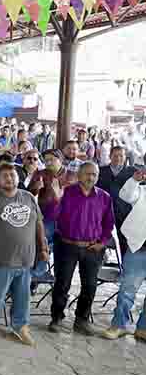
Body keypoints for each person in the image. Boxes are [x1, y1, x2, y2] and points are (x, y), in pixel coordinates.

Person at [0, 164, 48, 346]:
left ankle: (20, 327)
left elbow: (39, 224)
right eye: (5, 176)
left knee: (23, 297)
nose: (9, 178)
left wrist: (44, 248)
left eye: (12, 175)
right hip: (0, 259)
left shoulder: (29, 197)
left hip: (25, 259)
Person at [48, 162, 115, 336]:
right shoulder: (67, 193)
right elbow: (53, 217)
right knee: (62, 284)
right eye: (87, 174)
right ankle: (56, 318)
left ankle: (82, 320)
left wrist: (102, 242)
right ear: (79, 175)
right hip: (67, 245)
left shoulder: (104, 197)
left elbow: (109, 224)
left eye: (94, 174)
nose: (91, 177)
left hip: (93, 248)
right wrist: (56, 199)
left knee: (90, 286)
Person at [103, 168, 146, 340]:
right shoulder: (141, 191)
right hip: (139, 249)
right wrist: (135, 180)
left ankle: (143, 328)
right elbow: (126, 195)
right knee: (128, 290)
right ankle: (119, 324)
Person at [97, 145, 137, 256]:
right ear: (110, 156)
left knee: (124, 239)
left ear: (125, 157)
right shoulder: (100, 171)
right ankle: (99, 262)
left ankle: (124, 267)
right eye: (115, 156)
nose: (118, 158)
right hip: (103, 212)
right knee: (100, 238)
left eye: (121, 156)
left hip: (124, 212)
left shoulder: (132, 172)